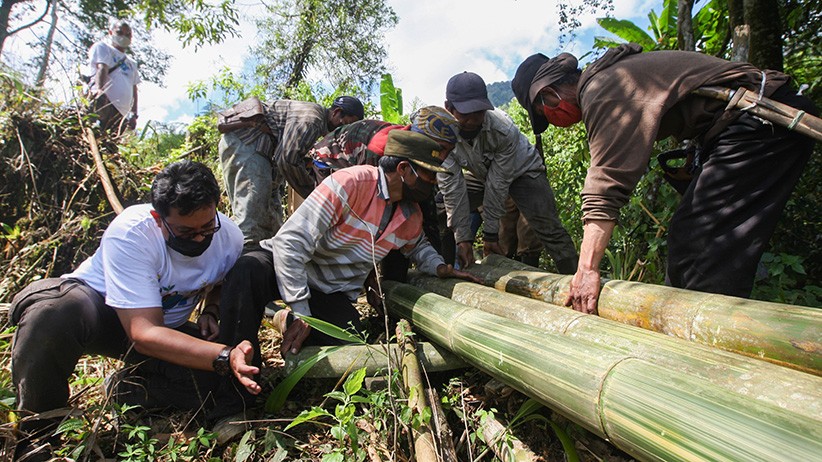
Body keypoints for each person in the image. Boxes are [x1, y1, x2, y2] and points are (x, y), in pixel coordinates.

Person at [512, 44, 819, 314]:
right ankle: (695, 327)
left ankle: (705, 342)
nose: (553, 119)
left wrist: (587, 270)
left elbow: (606, 182)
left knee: (701, 241)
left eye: (544, 110)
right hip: (742, 126)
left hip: (762, 119)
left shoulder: (603, 90)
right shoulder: (607, 80)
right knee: (692, 239)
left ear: (549, 93)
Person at [10, 161, 259, 459]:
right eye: (184, 231)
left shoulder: (228, 237)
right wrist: (222, 355)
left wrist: (211, 309)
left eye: (207, 228)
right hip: (100, 313)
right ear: (158, 218)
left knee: (236, 385)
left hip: (162, 330)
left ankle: (129, 389)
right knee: (52, 314)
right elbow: (144, 333)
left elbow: (219, 278)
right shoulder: (132, 233)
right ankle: (37, 434)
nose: (199, 238)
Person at [219, 130, 480, 357]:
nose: (432, 184)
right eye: (429, 176)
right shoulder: (350, 183)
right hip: (284, 266)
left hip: (329, 289)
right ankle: (234, 385)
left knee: (351, 342)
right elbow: (291, 244)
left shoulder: (410, 214)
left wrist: (439, 267)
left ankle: (285, 320)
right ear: (403, 170)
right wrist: (303, 312)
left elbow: (418, 247)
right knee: (247, 270)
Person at [439, 71, 578, 273]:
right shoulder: (442, 134)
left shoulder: (502, 129)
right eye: (466, 114)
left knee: (548, 227)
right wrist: (463, 239)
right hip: (483, 175)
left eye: (479, 112)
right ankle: (447, 267)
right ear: (449, 108)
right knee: (439, 204)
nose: (474, 119)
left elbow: (498, 184)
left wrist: (490, 235)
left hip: (524, 172)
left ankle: (576, 278)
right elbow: (453, 188)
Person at [306, 106, 459, 280]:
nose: (443, 157)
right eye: (440, 148)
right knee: (373, 225)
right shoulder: (379, 152)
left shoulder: (418, 162)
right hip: (330, 162)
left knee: (406, 219)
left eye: (449, 151)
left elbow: (427, 216)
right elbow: (370, 222)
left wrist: (439, 267)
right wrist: (369, 278)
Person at [219, 96, 364, 246]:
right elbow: (288, 160)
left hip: (253, 149)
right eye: (347, 122)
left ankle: (262, 259)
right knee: (252, 217)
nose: (344, 129)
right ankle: (246, 260)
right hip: (247, 143)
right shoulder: (313, 119)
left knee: (271, 221)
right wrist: (315, 195)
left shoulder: (315, 121)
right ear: (336, 113)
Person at [87, 19, 140, 134]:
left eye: (127, 35)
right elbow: (102, 68)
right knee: (93, 133)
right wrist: (100, 91)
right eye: (120, 33)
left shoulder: (132, 63)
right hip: (104, 102)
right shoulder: (103, 47)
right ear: (111, 33)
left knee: (110, 145)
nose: (124, 37)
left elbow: (134, 89)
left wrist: (134, 114)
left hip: (121, 113)